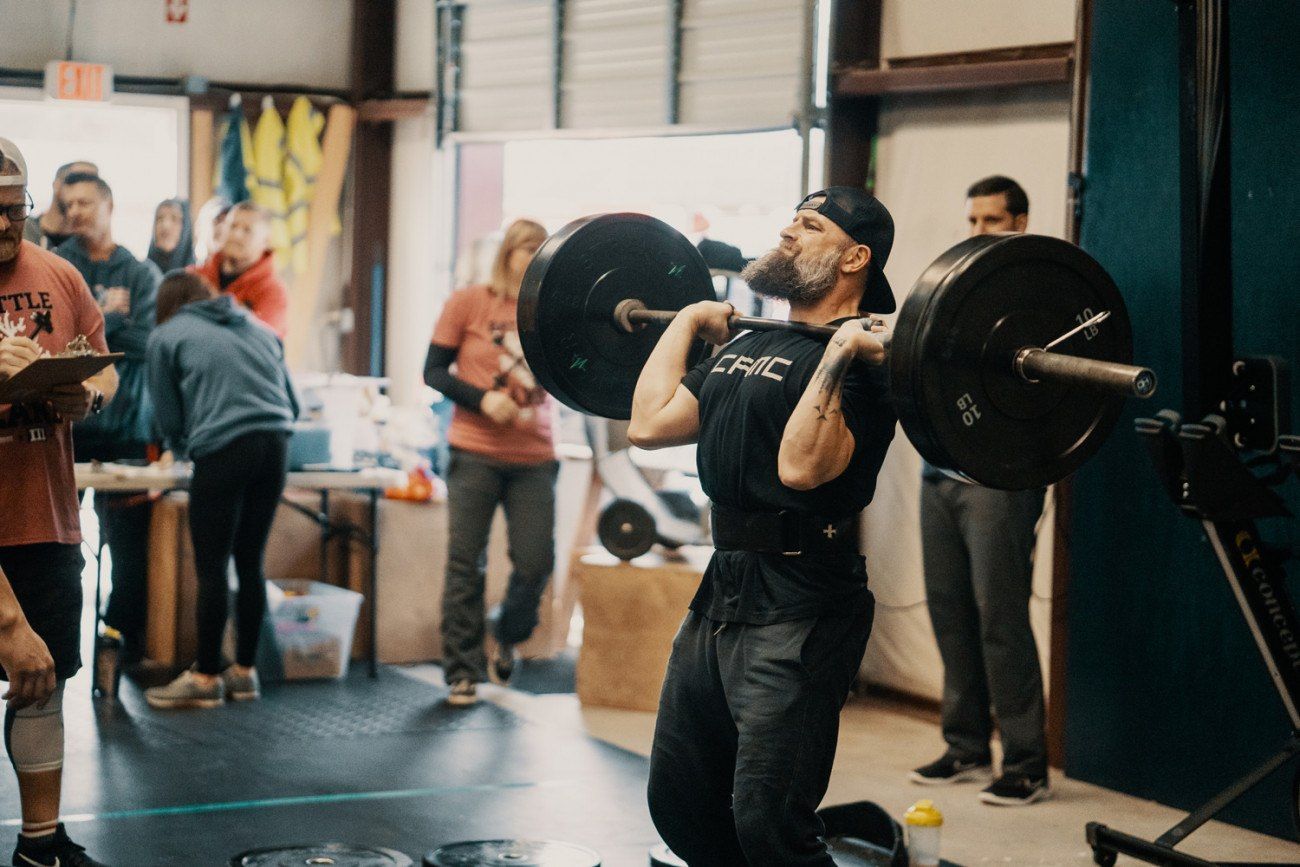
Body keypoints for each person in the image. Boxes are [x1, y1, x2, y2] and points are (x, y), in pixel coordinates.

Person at [631, 187, 897, 865]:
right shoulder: (752, 342)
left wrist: (839, 352)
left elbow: (802, 468)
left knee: (768, 818)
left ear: (854, 257)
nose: (787, 231)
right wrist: (687, 320)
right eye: (792, 220)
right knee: (681, 801)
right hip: (722, 591)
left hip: (805, 599)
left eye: (809, 226)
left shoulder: (871, 366)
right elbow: (649, 423)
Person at [908, 174, 1050, 806]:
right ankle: (965, 746)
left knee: (1000, 615)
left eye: (990, 221)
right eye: (971, 222)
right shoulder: (960, 291)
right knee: (949, 611)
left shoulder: (1036, 297)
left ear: (1018, 223)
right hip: (940, 471)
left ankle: (1025, 764)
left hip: (1000, 478)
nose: (977, 233)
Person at [0, 137, 115, 867]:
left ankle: (40, 848)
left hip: (45, 518)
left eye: (15, 211)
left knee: (43, 683)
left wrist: (84, 396)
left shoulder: (61, 275)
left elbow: (106, 375)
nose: (5, 228)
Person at [143, 271, 299, 709]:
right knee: (250, 560)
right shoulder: (259, 327)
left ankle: (207, 676)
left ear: (167, 305)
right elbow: (295, 403)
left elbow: (168, 414)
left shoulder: (166, 335)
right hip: (277, 445)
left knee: (212, 567)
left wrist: (177, 448)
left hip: (225, 448)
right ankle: (245, 674)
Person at [423, 219, 558, 707]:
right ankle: (462, 670)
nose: (530, 255)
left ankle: (506, 631)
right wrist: (483, 400)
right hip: (474, 451)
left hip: (535, 456)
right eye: (523, 247)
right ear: (507, 253)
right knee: (466, 564)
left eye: (538, 248)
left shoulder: (555, 311)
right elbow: (433, 371)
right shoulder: (469, 302)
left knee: (535, 562)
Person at [55, 172, 162, 670]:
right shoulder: (58, 267)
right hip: (65, 432)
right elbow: (55, 344)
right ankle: (57, 646)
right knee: (59, 547)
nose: (75, 211)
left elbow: (150, 343)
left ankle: (123, 647)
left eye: (84, 202)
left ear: (109, 204)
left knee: (127, 551)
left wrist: (92, 329)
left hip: (126, 433)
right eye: (67, 203)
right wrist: (114, 326)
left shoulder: (141, 274)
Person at [192, 201, 289, 338]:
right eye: (232, 226)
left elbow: (260, 347)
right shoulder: (194, 277)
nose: (236, 234)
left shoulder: (272, 292)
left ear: (266, 241)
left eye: (247, 230)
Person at [21, 160, 98, 251]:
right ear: (56, 185)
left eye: (92, 182)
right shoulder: (24, 229)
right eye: (75, 180)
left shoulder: (88, 245)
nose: (84, 189)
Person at [146, 198, 195, 273]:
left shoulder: (199, 278)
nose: (165, 225)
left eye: (174, 219)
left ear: (186, 228)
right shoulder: (140, 276)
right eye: (160, 218)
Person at [192, 195, 231, 264]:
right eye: (217, 220)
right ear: (199, 227)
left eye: (228, 222)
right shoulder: (189, 266)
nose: (223, 227)